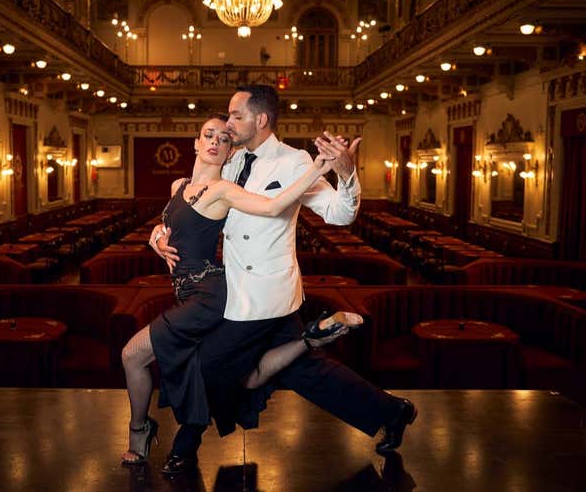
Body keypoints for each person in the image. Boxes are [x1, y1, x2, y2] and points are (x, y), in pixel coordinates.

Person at [151, 85, 417, 475]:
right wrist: (158, 234)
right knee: (303, 368)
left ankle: (185, 445)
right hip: (232, 288)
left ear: (260, 120)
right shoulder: (229, 158)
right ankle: (394, 411)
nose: (227, 123)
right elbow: (187, 205)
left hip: (268, 291)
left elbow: (340, 214)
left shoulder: (295, 162)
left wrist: (346, 173)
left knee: (206, 363)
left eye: (234, 116)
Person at [121, 114, 363, 466]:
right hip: (186, 293)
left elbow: (274, 206)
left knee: (132, 355)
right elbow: (171, 223)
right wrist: (154, 236)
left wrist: (317, 168)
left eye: (224, 139)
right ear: (196, 142)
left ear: (229, 152)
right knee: (244, 375)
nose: (216, 142)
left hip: (209, 295)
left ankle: (140, 429)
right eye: (209, 135)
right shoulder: (179, 186)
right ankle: (310, 338)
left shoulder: (224, 190)